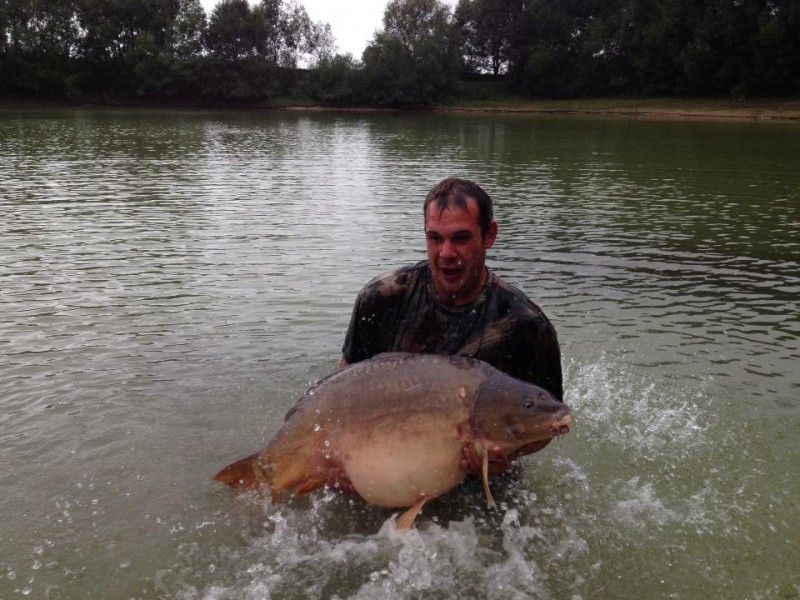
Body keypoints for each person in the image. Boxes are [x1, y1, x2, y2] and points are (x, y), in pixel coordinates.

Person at [339, 176, 563, 479]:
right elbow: (342, 389)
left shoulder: (526, 325)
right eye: (435, 238)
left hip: (480, 477)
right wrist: (340, 458)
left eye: (461, 238)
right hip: (387, 459)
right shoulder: (381, 299)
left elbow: (547, 423)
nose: (446, 253)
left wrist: (506, 455)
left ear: (489, 235)